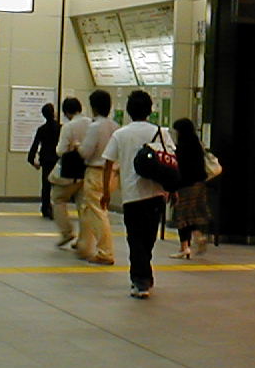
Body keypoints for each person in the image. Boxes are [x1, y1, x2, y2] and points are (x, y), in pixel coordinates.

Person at [102, 90, 174, 299]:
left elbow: (108, 162)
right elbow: (171, 161)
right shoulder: (161, 132)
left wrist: (106, 191)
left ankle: (140, 280)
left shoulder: (121, 134)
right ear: (150, 110)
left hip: (132, 196)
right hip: (156, 194)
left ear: (128, 110)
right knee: (148, 238)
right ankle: (143, 276)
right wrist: (171, 188)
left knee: (135, 239)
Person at [74, 90, 116, 265]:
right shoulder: (115, 126)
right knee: (90, 210)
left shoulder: (94, 127)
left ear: (94, 107)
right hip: (112, 172)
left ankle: (105, 252)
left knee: (98, 212)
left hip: (96, 172)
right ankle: (85, 245)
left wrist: (77, 145)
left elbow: (86, 152)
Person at [49, 97, 89, 248]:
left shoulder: (68, 127)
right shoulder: (91, 123)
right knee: (83, 207)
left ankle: (67, 232)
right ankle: (83, 240)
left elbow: (60, 150)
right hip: (85, 171)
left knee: (58, 200)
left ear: (66, 112)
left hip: (68, 172)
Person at [169, 118, 211, 259]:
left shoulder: (181, 147)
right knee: (195, 214)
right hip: (199, 184)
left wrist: (173, 186)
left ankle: (185, 247)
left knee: (182, 216)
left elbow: (178, 168)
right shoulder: (197, 144)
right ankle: (198, 235)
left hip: (185, 185)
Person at [26, 103, 60, 219]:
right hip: (57, 160)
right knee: (59, 185)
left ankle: (46, 207)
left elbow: (34, 146)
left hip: (46, 160)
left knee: (46, 185)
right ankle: (58, 208)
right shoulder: (60, 128)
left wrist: (32, 161)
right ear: (54, 113)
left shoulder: (41, 130)